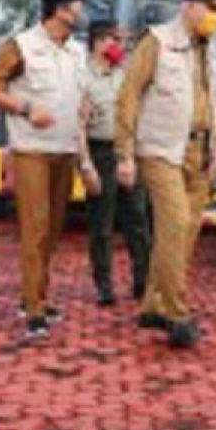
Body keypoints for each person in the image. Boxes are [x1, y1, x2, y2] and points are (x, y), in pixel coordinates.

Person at [0, 0, 101, 342]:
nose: (82, 12)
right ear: (61, 9)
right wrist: (27, 107)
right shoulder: (22, 46)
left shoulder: (77, 52)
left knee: (53, 230)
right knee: (35, 228)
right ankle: (33, 310)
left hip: (64, 149)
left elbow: (77, 95)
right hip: (31, 149)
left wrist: (85, 111)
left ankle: (37, 295)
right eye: (78, 6)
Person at [115, 0, 216, 349]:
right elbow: (128, 95)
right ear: (188, 6)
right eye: (212, 9)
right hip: (162, 149)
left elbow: (215, 102)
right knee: (176, 226)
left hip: (200, 150)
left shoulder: (208, 49)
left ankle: (153, 304)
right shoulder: (157, 41)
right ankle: (177, 316)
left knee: (186, 233)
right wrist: (125, 153)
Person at [85, 19, 151, 306]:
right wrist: (85, 163)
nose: (121, 47)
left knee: (137, 216)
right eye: (115, 40)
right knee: (102, 222)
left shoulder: (125, 75)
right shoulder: (82, 77)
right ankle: (104, 285)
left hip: (129, 151)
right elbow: (79, 123)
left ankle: (142, 281)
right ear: (98, 43)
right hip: (99, 151)